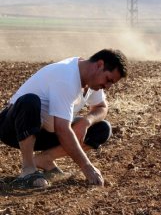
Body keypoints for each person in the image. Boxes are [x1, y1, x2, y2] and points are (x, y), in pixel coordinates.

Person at [0, 48, 128, 188]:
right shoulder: (66, 76)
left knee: (102, 129)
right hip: (14, 128)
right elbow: (62, 129)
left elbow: (102, 107)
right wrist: (87, 167)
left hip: (45, 131)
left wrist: (86, 121)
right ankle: (28, 170)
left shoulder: (92, 81)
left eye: (111, 83)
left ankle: (45, 159)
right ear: (99, 65)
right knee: (29, 101)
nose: (107, 86)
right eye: (108, 80)